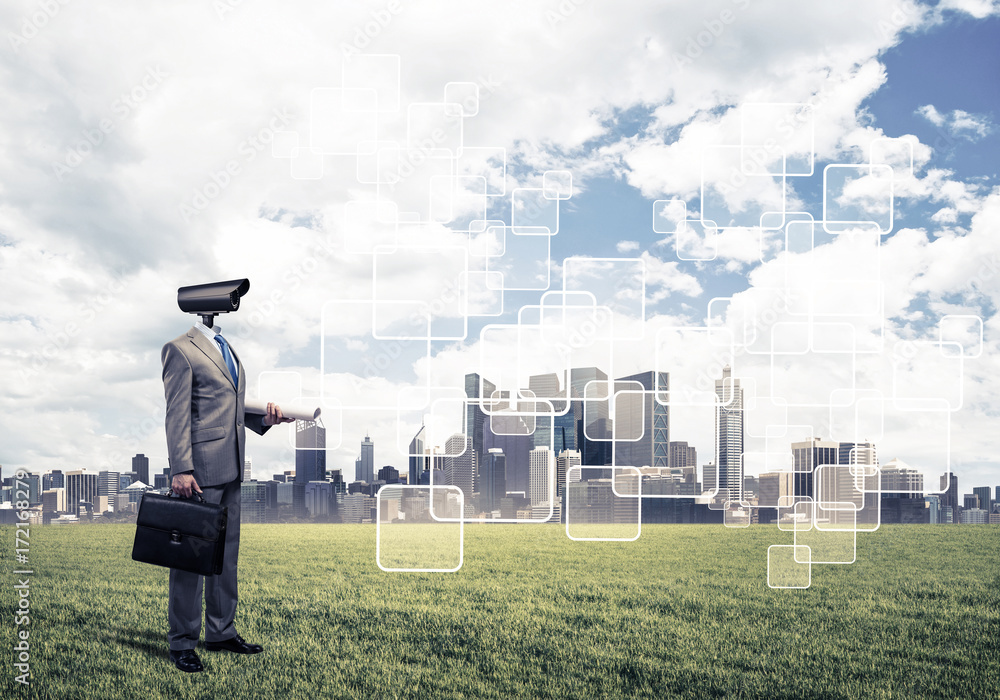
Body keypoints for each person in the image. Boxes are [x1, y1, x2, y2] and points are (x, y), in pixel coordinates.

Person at [161, 319, 293, 673]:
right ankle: (182, 643)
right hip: (198, 470)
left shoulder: (225, 347)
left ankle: (220, 632)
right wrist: (180, 468)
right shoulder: (180, 348)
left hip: (231, 465)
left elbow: (227, 406)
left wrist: (265, 420)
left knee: (225, 558)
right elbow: (176, 412)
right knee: (190, 560)